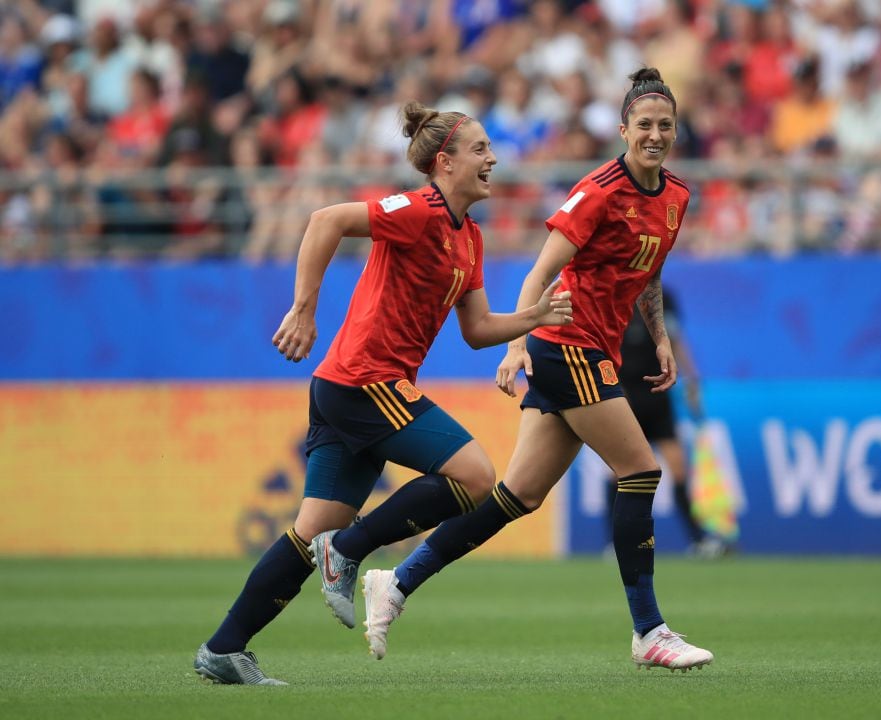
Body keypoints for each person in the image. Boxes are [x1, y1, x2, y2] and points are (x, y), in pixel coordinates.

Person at [321, 68, 714, 672]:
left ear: (676, 130)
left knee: (517, 496)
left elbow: (648, 270)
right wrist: (517, 346)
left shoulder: (677, 197)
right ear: (623, 130)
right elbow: (539, 272)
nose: (654, 135)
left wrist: (659, 336)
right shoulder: (598, 191)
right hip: (569, 343)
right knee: (640, 470)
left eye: (664, 125)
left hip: (595, 348)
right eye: (643, 125)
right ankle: (649, 631)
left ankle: (396, 583)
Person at [193, 101, 572, 685]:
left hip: (349, 388)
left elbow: (475, 331)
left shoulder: (469, 238)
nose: (493, 158)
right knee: (474, 476)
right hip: (364, 380)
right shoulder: (418, 209)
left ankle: (224, 648)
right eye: (480, 149)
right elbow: (326, 220)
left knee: (308, 532)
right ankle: (350, 551)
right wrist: (303, 308)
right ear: (444, 163)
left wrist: (534, 316)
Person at [605, 286, 725, 558]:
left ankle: (699, 540)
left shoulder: (662, 296)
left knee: (679, 469)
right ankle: (613, 543)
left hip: (658, 395)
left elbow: (676, 338)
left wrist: (692, 379)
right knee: (617, 473)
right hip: (624, 395)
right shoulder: (613, 293)